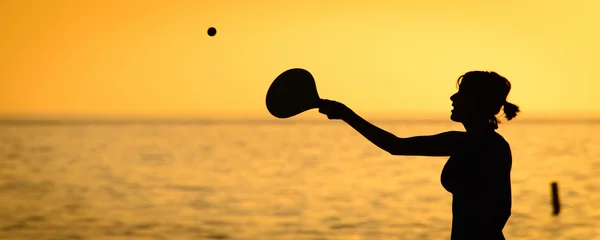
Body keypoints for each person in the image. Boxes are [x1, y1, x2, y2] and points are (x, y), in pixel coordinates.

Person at [318, 71, 520, 240]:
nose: (453, 98)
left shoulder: (482, 145)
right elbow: (396, 145)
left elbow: (500, 212)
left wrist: (346, 114)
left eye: (461, 93)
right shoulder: (471, 142)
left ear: (477, 101)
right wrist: (345, 114)